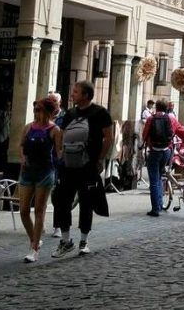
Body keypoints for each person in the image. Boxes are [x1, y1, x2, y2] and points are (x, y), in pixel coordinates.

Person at [53, 80, 114, 256]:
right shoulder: (70, 113)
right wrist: (60, 152)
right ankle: (65, 240)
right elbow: (61, 133)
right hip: (69, 165)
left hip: (89, 165)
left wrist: (101, 159)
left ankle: (83, 241)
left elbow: (108, 137)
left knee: (86, 202)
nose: (72, 94)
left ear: (86, 95)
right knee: (62, 201)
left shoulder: (100, 113)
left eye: (76, 92)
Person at [17, 97, 63, 262]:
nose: (36, 113)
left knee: (39, 210)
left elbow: (58, 152)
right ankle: (34, 239)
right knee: (23, 210)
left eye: (39, 110)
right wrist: (22, 158)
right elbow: (21, 145)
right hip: (28, 171)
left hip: (45, 172)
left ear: (48, 112)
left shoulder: (55, 130)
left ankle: (34, 249)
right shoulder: (28, 127)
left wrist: (61, 170)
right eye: (35, 109)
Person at [141, 99, 184, 216]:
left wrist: (147, 143)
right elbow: (183, 133)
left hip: (154, 152)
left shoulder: (150, 119)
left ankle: (156, 208)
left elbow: (144, 135)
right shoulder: (171, 119)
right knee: (159, 175)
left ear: (156, 108)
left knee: (154, 179)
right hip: (166, 152)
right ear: (166, 108)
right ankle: (159, 203)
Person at [45, 91, 65, 239]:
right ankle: (40, 224)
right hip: (43, 161)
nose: (51, 103)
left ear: (59, 103)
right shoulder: (43, 117)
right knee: (42, 194)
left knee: (58, 195)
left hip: (57, 162)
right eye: (49, 100)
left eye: (53, 101)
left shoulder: (64, 118)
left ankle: (58, 226)